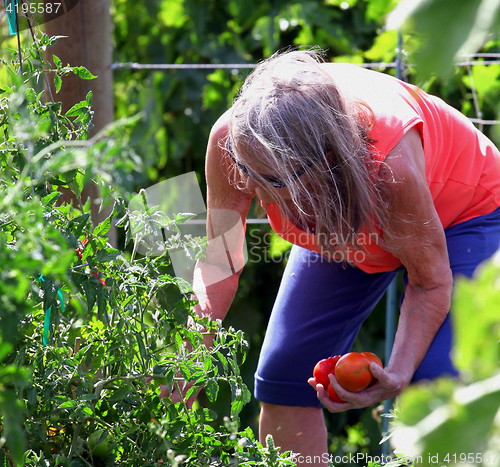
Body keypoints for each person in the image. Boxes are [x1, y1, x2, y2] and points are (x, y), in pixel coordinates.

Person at [189, 49, 500, 465]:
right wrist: (189, 352)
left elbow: (431, 282)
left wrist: (398, 373)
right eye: (246, 171)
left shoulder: (389, 164)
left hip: (467, 212)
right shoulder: (237, 144)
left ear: (327, 162)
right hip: (348, 218)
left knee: (438, 383)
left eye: (271, 181)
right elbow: (221, 258)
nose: (251, 190)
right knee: (286, 375)